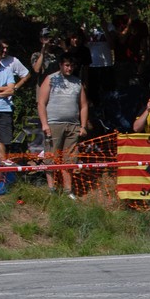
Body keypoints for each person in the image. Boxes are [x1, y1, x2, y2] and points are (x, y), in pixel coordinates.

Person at [37, 54, 88, 197]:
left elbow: (84, 105)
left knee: (70, 158)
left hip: (73, 125)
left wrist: (83, 126)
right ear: (60, 65)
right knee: (51, 157)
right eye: (67, 65)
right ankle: (52, 189)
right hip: (53, 124)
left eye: (72, 66)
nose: (69, 68)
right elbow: (41, 103)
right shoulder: (50, 79)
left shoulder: (77, 82)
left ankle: (68, 190)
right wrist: (44, 124)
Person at [30, 27, 64, 96]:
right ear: (41, 39)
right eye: (46, 37)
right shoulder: (36, 55)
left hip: (58, 85)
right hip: (43, 85)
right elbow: (36, 69)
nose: (49, 39)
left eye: (51, 37)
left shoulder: (59, 52)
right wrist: (43, 51)